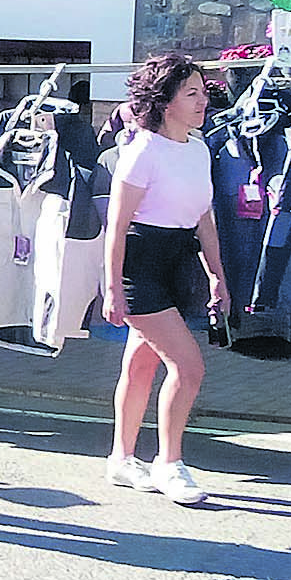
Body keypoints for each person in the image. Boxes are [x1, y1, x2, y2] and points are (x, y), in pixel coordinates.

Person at [102, 55, 228, 506]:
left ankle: (121, 458)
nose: (202, 101)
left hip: (178, 263)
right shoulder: (142, 153)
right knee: (188, 366)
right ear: (165, 102)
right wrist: (112, 287)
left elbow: (204, 219)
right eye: (191, 93)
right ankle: (170, 463)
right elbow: (116, 227)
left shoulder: (199, 149)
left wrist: (217, 276)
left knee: (141, 364)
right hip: (142, 266)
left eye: (203, 91)